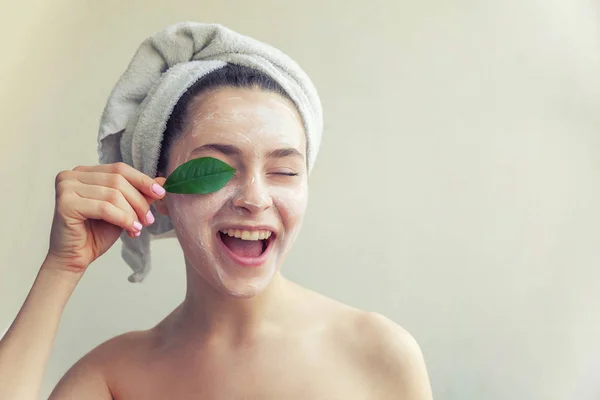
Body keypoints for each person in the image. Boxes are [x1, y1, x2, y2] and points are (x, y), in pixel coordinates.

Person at [0, 26, 433, 400]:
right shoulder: (114, 377)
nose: (255, 198)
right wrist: (62, 267)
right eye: (217, 169)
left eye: (283, 170)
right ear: (160, 187)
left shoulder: (377, 351)